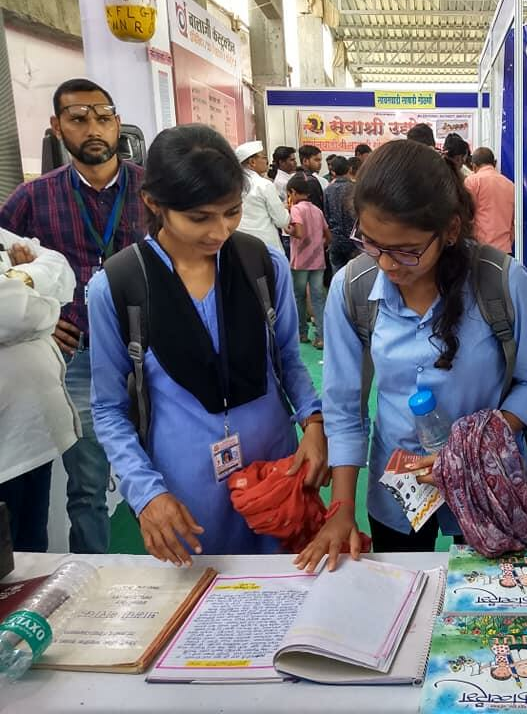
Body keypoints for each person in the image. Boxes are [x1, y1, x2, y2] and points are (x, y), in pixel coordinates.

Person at [294, 140, 527, 570]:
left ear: (450, 230)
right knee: (398, 587)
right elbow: (344, 406)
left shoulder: (501, 282)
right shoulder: (353, 287)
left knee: (484, 595)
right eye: (371, 243)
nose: (387, 264)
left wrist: (472, 446)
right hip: (397, 485)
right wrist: (341, 508)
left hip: (484, 482)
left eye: (406, 249)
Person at [88, 124, 327, 563]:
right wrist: (146, 493)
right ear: (154, 203)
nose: (220, 231)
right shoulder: (120, 286)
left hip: (275, 474)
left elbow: (289, 359)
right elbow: (108, 408)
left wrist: (314, 422)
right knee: (201, 593)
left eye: (231, 211)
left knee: (285, 583)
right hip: (185, 492)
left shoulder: (262, 264)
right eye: (200, 218)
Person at [0, 78, 146, 554]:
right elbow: (6, 271)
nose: (93, 129)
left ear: (117, 123)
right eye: (78, 119)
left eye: (103, 118)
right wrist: (44, 320)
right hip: (80, 355)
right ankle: (92, 577)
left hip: (152, 351)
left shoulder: (151, 190)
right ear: (57, 126)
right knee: (86, 486)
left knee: (171, 466)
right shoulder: (32, 198)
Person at [0, 228, 80, 552]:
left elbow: (62, 268)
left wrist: (23, 277)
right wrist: (50, 310)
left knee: (33, 555)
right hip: (5, 450)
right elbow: (8, 313)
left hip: (33, 437)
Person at [286, 173, 330, 349]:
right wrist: (319, 245)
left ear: (293, 192)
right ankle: (321, 337)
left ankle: (301, 333)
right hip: (318, 261)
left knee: (299, 297)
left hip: (300, 261)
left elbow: (299, 232)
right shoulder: (317, 210)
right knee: (318, 298)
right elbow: (328, 235)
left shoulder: (296, 209)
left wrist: (287, 229)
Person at [235, 140, 290, 252]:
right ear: (252, 162)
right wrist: (285, 209)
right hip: (266, 245)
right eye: (264, 157)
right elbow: (281, 221)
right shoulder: (264, 185)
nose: (267, 161)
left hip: (240, 245)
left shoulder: (233, 185)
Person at [465, 147, 515, 253]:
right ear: (494, 163)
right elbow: (513, 222)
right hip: (504, 249)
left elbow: (467, 215)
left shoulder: (472, 181)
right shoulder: (510, 185)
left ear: (474, 166)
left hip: (480, 249)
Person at [324, 155, 358, 273]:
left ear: (333, 171)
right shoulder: (354, 188)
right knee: (353, 274)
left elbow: (326, 214)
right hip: (353, 240)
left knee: (337, 275)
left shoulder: (328, 190)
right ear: (349, 169)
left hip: (335, 239)